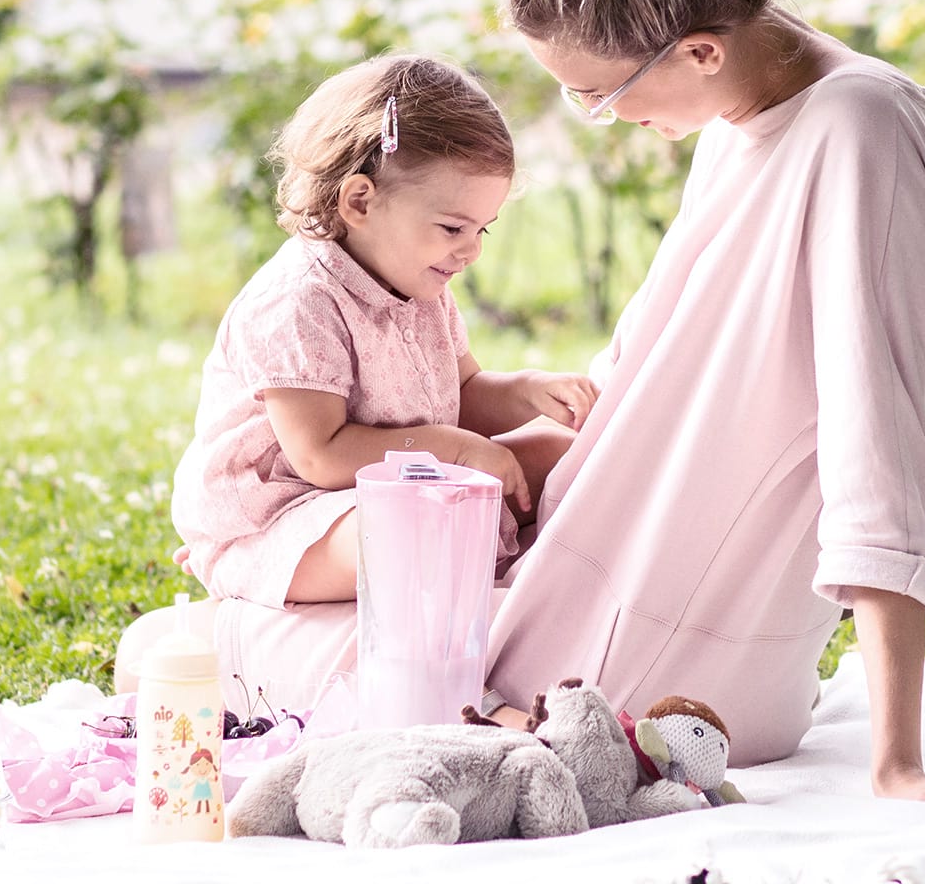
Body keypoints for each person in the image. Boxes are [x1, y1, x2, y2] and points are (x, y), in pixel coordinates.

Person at [478, 0, 925, 811]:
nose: (607, 118)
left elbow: (872, 448)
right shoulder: (735, 111)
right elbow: (656, 361)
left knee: (285, 656)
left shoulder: (857, 129)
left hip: (667, 658)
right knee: (271, 600)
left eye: (596, 96)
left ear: (700, 49)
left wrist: (897, 765)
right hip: (608, 555)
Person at [115, 55, 596, 687]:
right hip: (293, 515)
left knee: (571, 453)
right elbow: (320, 455)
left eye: (483, 228)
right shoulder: (297, 302)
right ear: (360, 200)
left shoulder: (422, 289)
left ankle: (527, 567)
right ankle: (445, 587)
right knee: (405, 527)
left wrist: (529, 392)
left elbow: (465, 395)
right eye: (453, 226)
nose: (472, 249)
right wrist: (455, 449)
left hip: (406, 484)